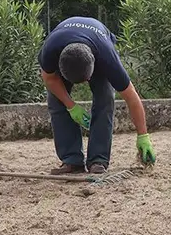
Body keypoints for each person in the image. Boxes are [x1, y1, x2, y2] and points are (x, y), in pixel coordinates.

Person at [38, 16, 155, 174]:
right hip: (65, 47)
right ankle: (71, 160)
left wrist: (143, 135)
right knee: (56, 100)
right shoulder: (50, 50)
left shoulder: (107, 57)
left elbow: (131, 97)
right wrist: (70, 105)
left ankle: (98, 160)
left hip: (97, 43)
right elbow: (49, 79)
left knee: (105, 97)